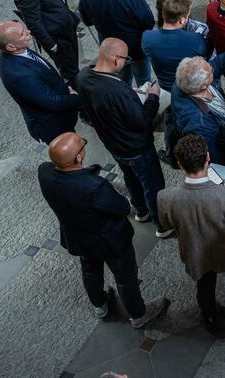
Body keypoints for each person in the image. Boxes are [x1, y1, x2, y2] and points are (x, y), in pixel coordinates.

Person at [37, 132, 169, 328]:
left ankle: (100, 304)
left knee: (90, 270)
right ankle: (139, 314)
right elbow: (122, 208)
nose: (84, 145)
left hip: (77, 237)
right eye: (83, 144)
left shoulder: (44, 172)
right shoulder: (95, 186)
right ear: (79, 157)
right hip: (109, 241)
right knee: (125, 277)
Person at [157, 134, 225, 333]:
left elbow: (167, 223)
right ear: (208, 158)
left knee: (204, 286)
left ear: (179, 163)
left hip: (196, 251)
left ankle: (210, 318)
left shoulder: (165, 197)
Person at [74, 38, 170, 237]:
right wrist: (152, 96)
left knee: (131, 177)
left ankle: (141, 211)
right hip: (137, 147)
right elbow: (141, 121)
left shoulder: (83, 76)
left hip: (113, 144)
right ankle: (161, 225)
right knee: (153, 184)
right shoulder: (117, 90)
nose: (125, 63)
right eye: (125, 60)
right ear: (116, 60)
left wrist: (130, 95)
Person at [142, 0, 211, 167]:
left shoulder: (148, 38)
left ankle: (171, 156)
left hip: (165, 91)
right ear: (182, 20)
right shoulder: (195, 40)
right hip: (189, 90)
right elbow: (205, 58)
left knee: (170, 123)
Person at [0, 20, 80, 143]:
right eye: (22, 34)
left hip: (58, 106)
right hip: (54, 125)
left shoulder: (15, 50)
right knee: (69, 153)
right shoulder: (21, 76)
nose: (29, 32)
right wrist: (76, 97)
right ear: (10, 47)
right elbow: (53, 103)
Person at [78, 0, 155, 87]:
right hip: (135, 50)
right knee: (144, 82)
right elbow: (148, 23)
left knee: (122, 81)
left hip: (109, 49)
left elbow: (87, 21)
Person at [172, 43, 225, 170]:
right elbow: (213, 155)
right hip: (224, 150)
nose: (213, 69)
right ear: (203, 86)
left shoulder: (185, 81)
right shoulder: (199, 123)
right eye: (211, 72)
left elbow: (217, 64)